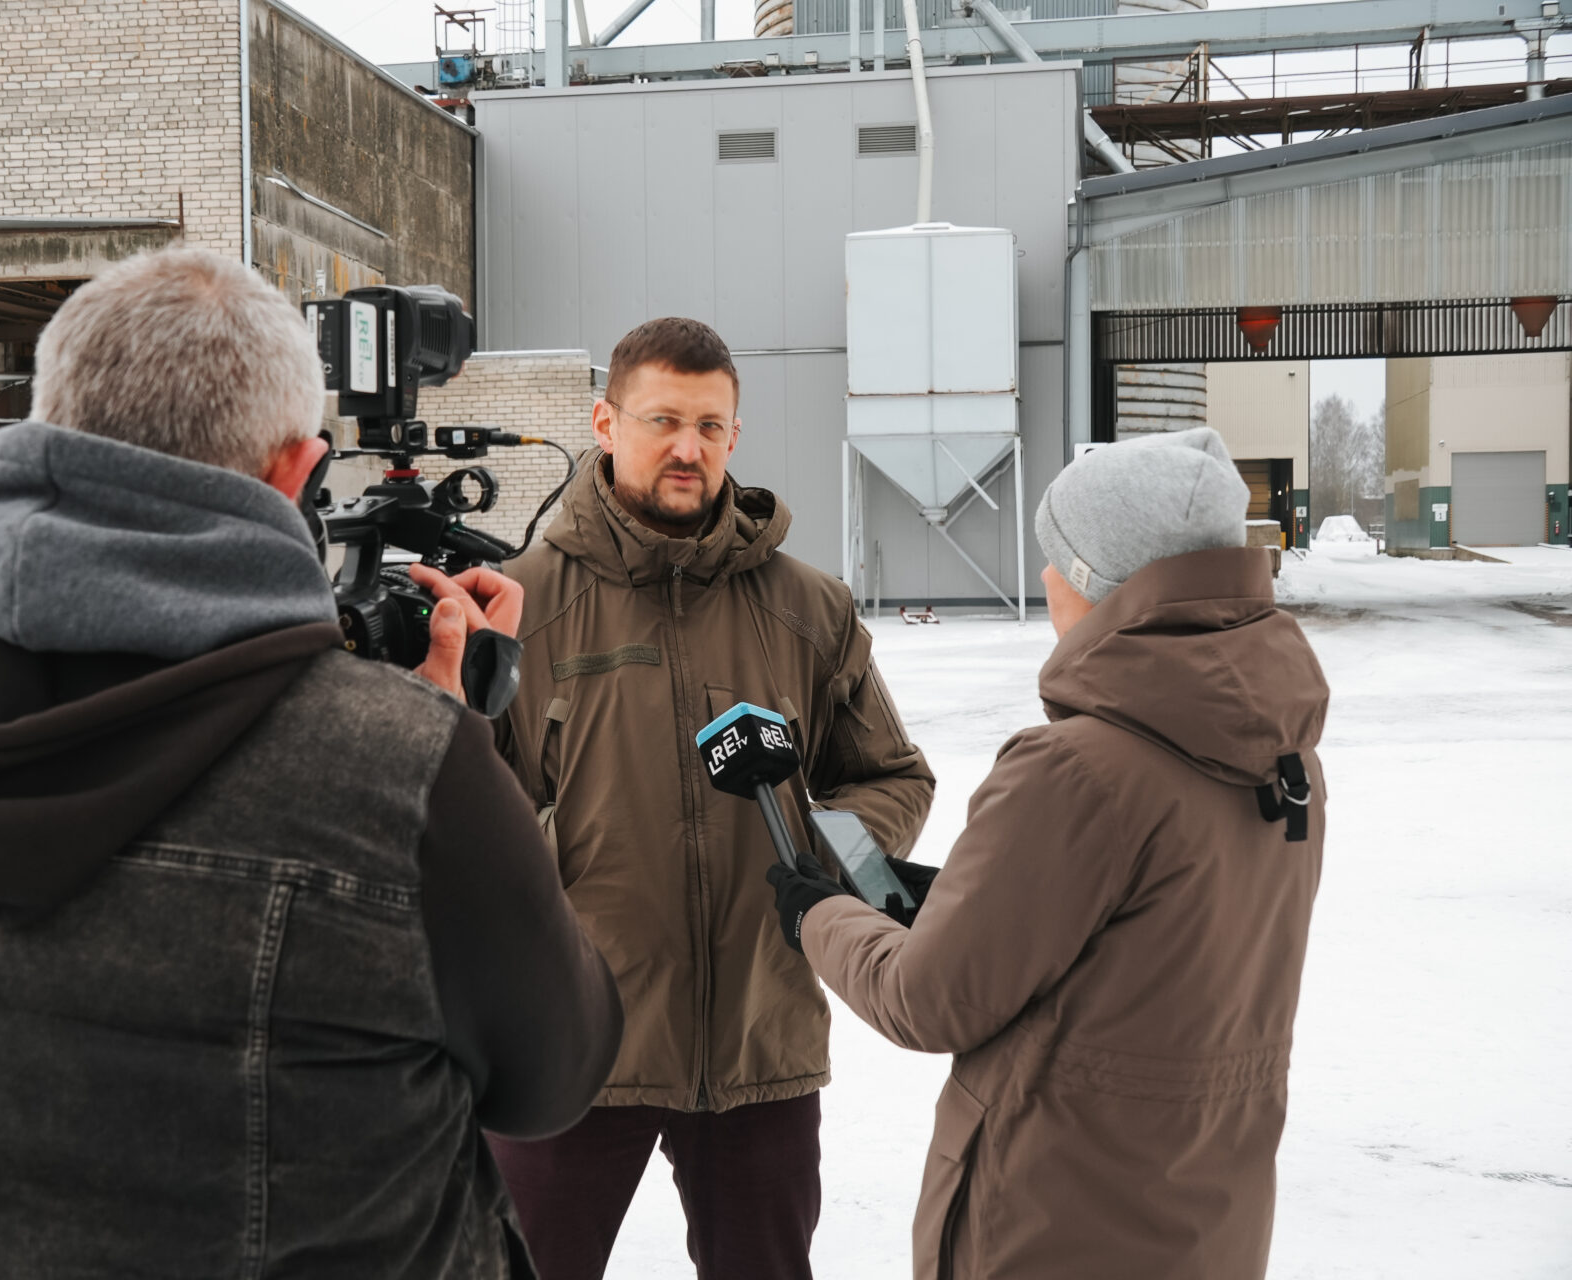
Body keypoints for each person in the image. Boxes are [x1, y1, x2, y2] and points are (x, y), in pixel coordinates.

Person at [0, 247, 621, 1279]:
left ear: (49, 424)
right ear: (294, 470)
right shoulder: (400, 766)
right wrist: (453, 745)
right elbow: (554, 1074)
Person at [766, 427, 1329, 1280]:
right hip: (1207, 1218)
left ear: (1101, 580)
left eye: (1058, 555)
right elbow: (1148, 943)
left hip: (1054, 1223)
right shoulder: (1285, 759)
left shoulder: (1077, 769)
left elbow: (927, 1001)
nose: (1043, 575)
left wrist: (818, 916)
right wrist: (958, 899)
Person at [489, 316, 936, 1280]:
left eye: (709, 425)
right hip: (573, 1040)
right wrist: (553, 858)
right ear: (605, 423)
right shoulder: (520, 605)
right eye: (662, 421)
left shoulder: (809, 607)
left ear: (735, 434)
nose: (687, 448)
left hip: (759, 1041)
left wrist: (826, 858)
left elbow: (892, 776)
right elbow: (459, 808)